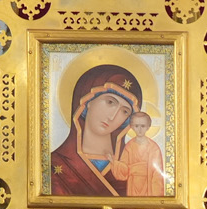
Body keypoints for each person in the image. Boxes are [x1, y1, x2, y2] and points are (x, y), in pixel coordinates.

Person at [49, 65, 141, 198]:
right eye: (110, 102)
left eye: (125, 111)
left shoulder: (132, 169)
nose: (113, 116)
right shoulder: (54, 165)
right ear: (88, 101)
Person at [113, 111, 169, 196]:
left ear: (148, 127)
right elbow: (124, 170)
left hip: (148, 184)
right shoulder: (129, 146)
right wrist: (113, 162)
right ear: (132, 127)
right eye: (136, 126)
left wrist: (156, 196)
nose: (139, 129)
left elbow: (157, 174)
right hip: (133, 183)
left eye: (142, 126)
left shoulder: (154, 148)